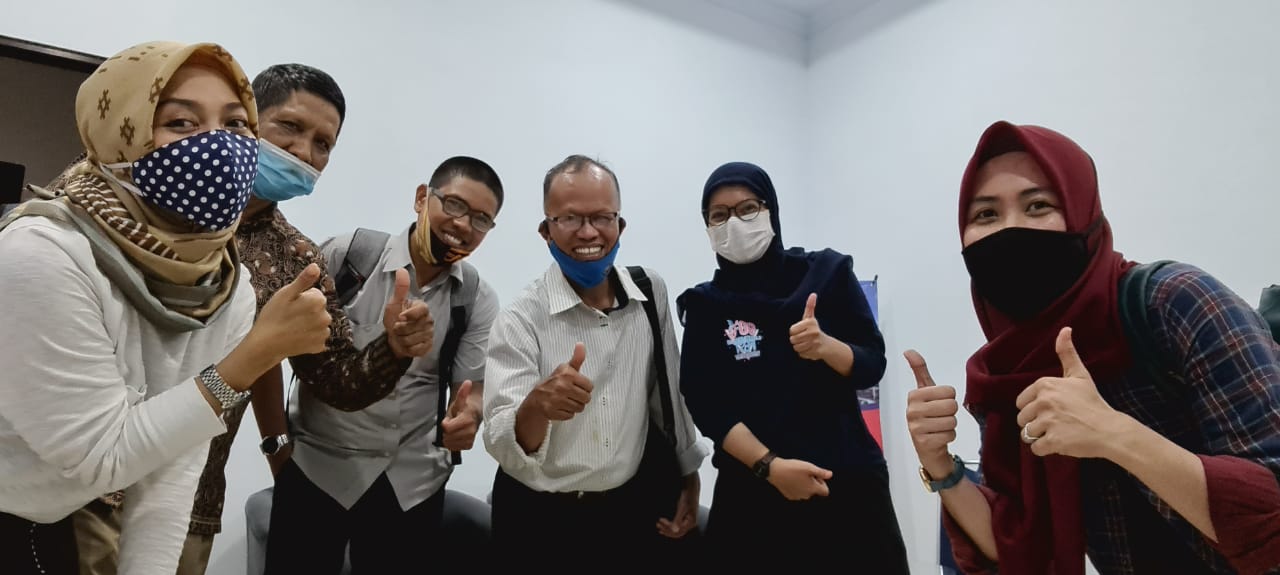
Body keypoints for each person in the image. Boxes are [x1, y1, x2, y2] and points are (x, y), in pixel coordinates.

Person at [66, 62, 438, 575]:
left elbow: (336, 380)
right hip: (75, 480)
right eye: (289, 127)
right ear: (245, 120)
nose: (304, 152)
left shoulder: (295, 260)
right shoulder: (127, 199)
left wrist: (393, 348)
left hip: (190, 497)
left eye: (323, 144)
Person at [0, 41, 331, 575]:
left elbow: (170, 475)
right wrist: (253, 357)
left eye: (234, 123)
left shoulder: (226, 286)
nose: (217, 145)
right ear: (121, 132)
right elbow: (99, 456)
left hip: (46, 520)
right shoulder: (43, 253)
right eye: (180, 122)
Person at [905, 120, 1280, 574]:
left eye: (1038, 205)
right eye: (986, 215)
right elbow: (1014, 543)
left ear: (1083, 214)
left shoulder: (1175, 302)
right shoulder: (1008, 370)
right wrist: (939, 465)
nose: (1011, 229)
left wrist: (1113, 434)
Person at [264, 155, 502, 574]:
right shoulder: (348, 257)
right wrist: (277, 447)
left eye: (482, 219)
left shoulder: (475, 298)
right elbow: (269, 347)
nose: (464, 225)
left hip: (412, 485)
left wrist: (470, 415)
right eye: (454, 205)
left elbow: (471, 389)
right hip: (317, 469)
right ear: (422, 198)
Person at [675, 161, 909, 570]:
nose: (734, 223)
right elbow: (706, 403)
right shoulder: (705, 305)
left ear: (771, 209)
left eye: (748, 208)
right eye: (719, 215)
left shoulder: (827, 274)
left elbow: (872, 363)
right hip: (753, 495)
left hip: (846, 490)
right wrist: (770, 467)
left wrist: (826, 347)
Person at [483, 155, 710, 564]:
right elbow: (502, 442)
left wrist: (689, 476)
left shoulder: (648, 293)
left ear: (620, 225)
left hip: (631, 508)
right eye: (570, 218)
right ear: (546, 231)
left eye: (603, 217)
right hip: (539, 519)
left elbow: (666, 397)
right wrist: (536, 407)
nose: (588, 232)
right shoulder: (520, 318)